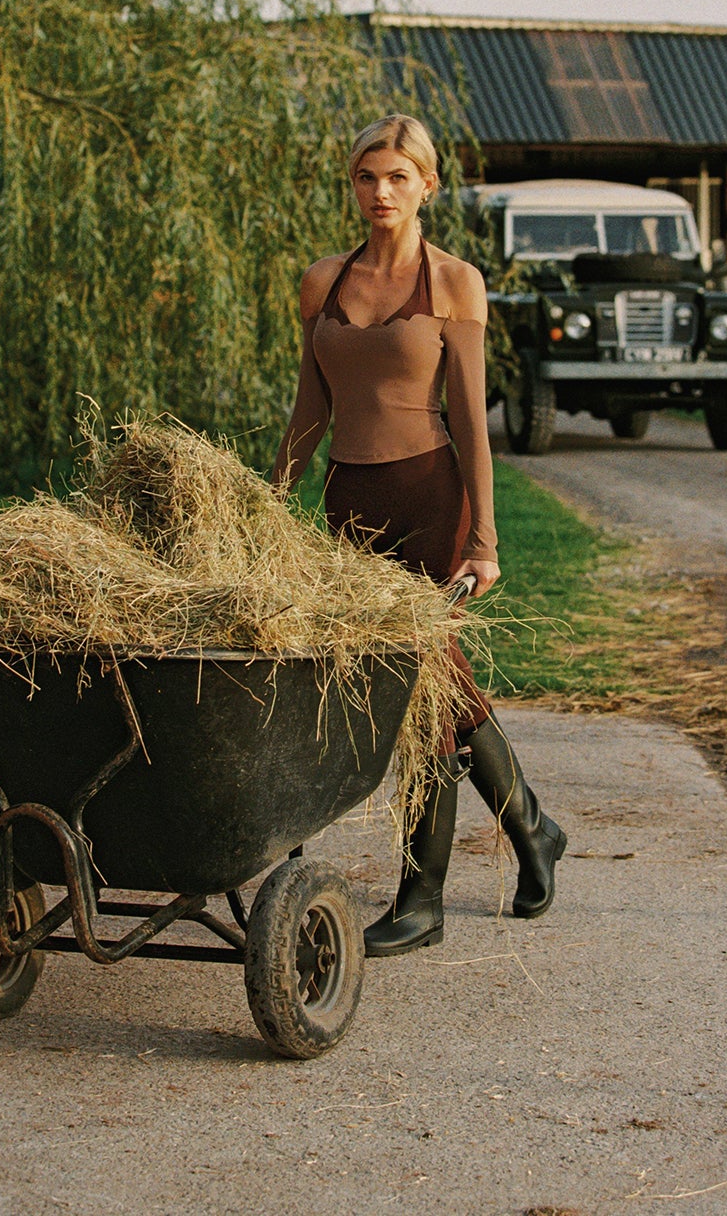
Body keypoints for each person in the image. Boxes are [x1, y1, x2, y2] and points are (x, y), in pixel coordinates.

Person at [271, 113, 566, 956]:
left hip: (434, 499)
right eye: (367, 178)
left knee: (420, 694)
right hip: (347, 504)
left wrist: (487, 541)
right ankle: (533, 829)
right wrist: (264, 502)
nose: (381, 193)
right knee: (427, 679)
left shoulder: (455, 284)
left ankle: (422, 896)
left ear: (428, 185)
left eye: (398, 177)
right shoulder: (323, 282)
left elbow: (472, 420)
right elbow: (310, 408)